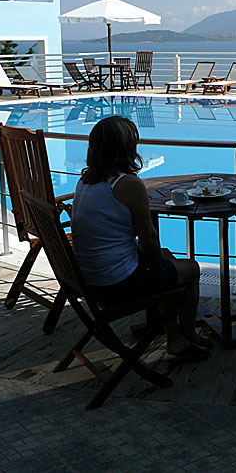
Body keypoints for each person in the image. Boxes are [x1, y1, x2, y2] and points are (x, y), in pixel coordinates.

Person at [71, 116, 210, 361]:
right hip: (117, 285)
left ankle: (174, 336)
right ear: (127, 148)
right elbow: (149, 242)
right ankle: (189, 335)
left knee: (164, 265)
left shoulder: (85, 181)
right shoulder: (127, 184)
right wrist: (159, 257)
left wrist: (160, 258)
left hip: (89, 280)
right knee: (190, 269)